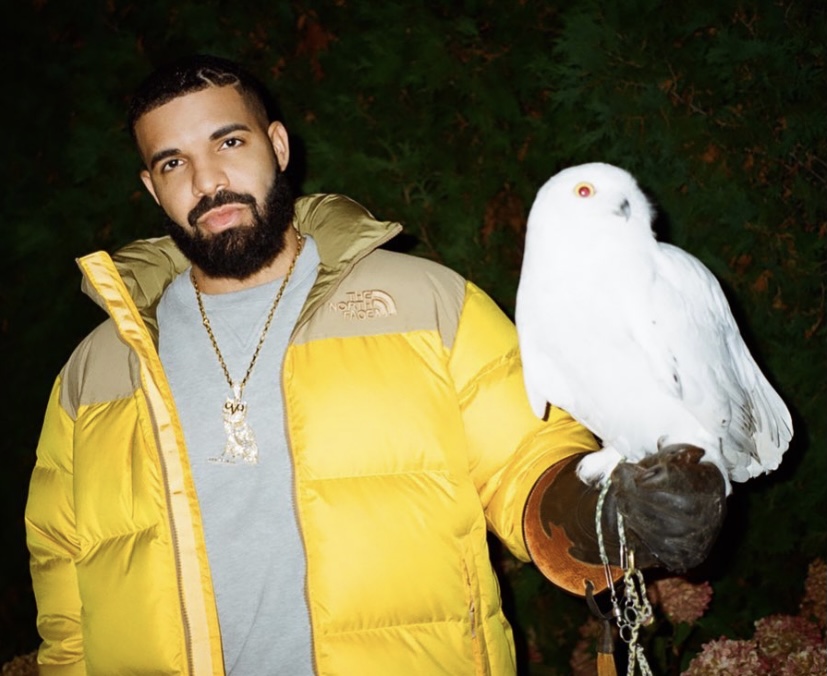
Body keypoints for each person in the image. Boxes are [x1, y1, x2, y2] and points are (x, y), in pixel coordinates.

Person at [25, 55, 726, 675]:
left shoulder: (426, 302)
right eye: (172, 162)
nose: (208, 181)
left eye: (228, 141)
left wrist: (600, 511)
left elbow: (526, 457)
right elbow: (63, 584)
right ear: (152, 188)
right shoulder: (95, 372)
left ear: (277, 145)